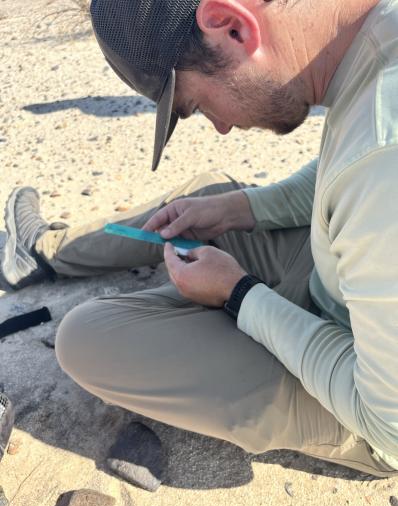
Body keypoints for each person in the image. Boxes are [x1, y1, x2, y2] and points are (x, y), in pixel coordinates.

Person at [2, 0, 398, 478]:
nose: (222, 125)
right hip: (333, 278)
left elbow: (388, 423)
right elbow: (334, 176)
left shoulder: (383, 167)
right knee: (205, 197)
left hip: (359, 395)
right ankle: (42, 253)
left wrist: (239, 294)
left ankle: (207, 305)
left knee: (85, 339)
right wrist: (235, 209)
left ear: (230, 26)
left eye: (198, 105)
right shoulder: (377, 39)